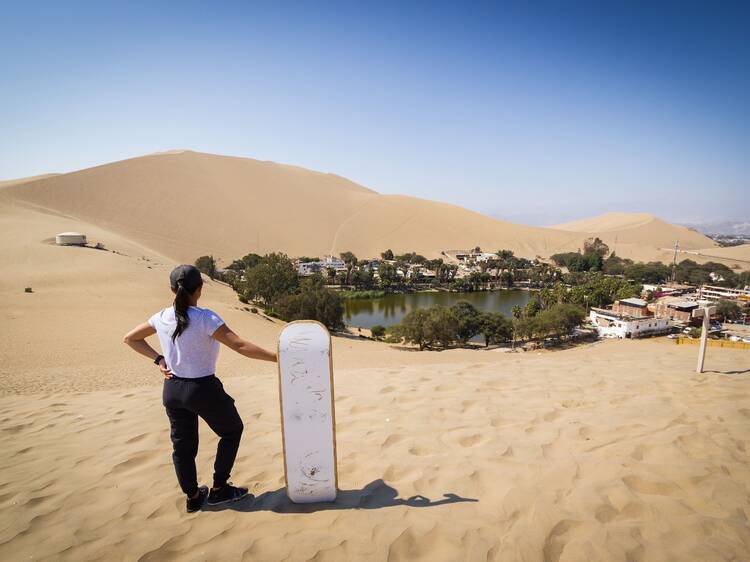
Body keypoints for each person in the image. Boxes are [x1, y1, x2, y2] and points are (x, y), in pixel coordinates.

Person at [123, 264, 277, 513]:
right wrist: (277, 358)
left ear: (172, 289)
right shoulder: (205, 317)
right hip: (203, 389)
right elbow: (239, 346)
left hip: (172, 390)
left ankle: (193, 497)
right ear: (200, 289)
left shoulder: (161, 317)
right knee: (231, 430)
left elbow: (130, 338)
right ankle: (219, 490)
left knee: (183, 448)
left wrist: (158, 359)